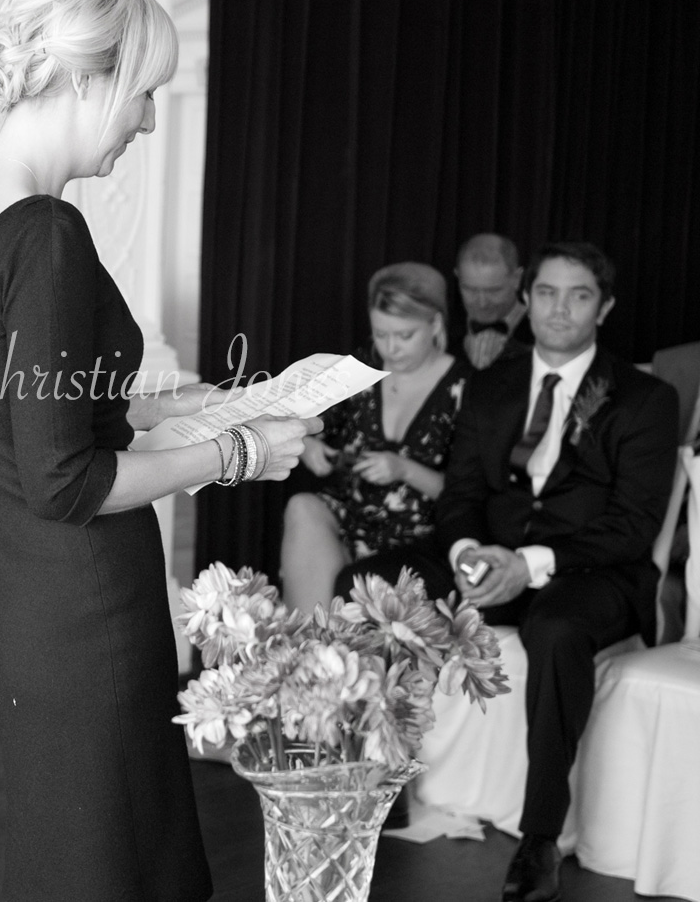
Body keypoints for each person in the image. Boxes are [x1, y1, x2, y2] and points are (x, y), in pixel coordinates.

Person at [0, 0, 319, 902]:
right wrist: (241, 453)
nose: (145, 121)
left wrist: (200, 403)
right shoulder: (45, 232)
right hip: (86, 617)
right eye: (143, 94)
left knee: (93, 869)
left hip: (31, 607)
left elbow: (41, 412)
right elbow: (69, 482)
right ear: (89, 78)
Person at [436, 240, 677, 902]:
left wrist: (530, 565)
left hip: (596, 572)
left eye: (579, 295)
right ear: (527, 298)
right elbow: (458, 496)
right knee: (375, 588)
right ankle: (375, 787)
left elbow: (633, 526)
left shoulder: (644, 397)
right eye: (546, 292)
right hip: (493, 558)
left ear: (605, 308)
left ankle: (540, 837)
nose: (558, 308)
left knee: (559, 629)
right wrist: (468, 557)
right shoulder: (489, 384)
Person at [279, 262, 468, 616]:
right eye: (381, 335)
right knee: (302, 506)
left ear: (436, 324)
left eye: (404, 336)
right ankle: (310, 655)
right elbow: (303, 421)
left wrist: (404, 470)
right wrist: (309, 446)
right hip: (351, 516)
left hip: (419, 537)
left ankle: (326, 651)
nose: (391, 348)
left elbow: (467, 495)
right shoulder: (363, 369)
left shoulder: (464, 386)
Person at [451, 232, 534, 370]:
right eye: (470, 290)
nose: (482, 303)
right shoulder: (444, 329)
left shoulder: (541, 332)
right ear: (457, 277)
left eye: (493, 291)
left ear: (517, 279)